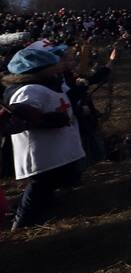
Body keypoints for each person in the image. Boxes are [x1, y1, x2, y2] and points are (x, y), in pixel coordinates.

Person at [2, 41, 86, 229]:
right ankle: (22, 223)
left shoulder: (47, 85)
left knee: (48, 184)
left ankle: (43, 209)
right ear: (40, 69)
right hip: (41, 151)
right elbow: (18, 119)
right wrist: (45, 121)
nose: (58, 67)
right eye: (52, 65)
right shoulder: (29, 90)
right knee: (39, 185)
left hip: (55, 148)